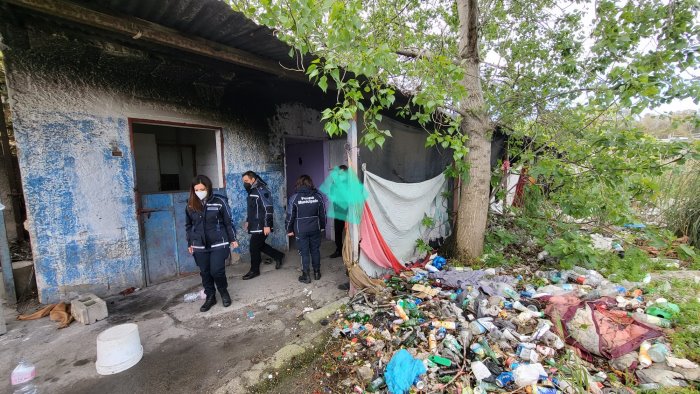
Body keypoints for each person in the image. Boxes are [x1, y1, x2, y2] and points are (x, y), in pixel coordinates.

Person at [185, 175, 238, 312]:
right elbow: (189, 225)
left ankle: (223, 292)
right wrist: (190, 243)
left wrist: (233, 239)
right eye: (196, 189)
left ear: (208, 188)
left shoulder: (220, 201)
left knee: (217, 270)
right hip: (199, 245)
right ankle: (211, 296)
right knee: (205, 272)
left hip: (218, 243)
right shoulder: (190, 204)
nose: (199, 192)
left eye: (202, 189)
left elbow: (228, 222)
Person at [242, 171, 285, 280]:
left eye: (246, 181)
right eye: (244, 181)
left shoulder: (262, 190)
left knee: (253, 247)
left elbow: (268, 208)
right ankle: (278, 255)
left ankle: (254, 270)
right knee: (259, 245)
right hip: (255, 224)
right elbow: (252, 209)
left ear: (253, 179)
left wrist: (267, 225)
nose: (245, 183)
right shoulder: (252, 190)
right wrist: (248, 221)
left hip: (262, 224)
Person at [286, 175, 326, 283]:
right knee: (315, 250)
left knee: (304, 252)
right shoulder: (318, 196)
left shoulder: (294, 197)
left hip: (301, 229)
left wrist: (289, 230)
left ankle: (306, 275)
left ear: (298, 184)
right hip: (315, 228)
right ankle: (317, 273)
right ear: (310, 183)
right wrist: (322, 226)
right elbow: (323, 214)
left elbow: (290, 216)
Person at [329, 165, 348, 258]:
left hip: (348, 212)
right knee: (338, 231)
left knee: (350, 232)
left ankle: (349, 252)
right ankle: (339, 250)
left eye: (341, 173)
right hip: (338, 211)